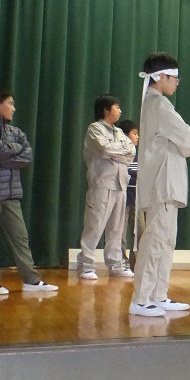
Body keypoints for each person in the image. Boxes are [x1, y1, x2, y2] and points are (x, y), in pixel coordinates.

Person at [0, 86, 58, 295]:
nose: (14, 108)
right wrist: (12, 152)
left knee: (20, 238)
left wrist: (4, 155)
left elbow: (27, 157)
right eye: (10, 103)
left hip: (11, 193)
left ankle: (31, 280)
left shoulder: (15, 132)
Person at [130, 53, 190, 317]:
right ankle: (141, 299)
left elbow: (183, 140)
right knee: (156, 240)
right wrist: (186, 140)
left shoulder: (155, 103)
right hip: (163, 183)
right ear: (160, 77)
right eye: (174, 77)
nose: (177, 82)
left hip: (166, 183)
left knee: (165, 241)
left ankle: (158, 295)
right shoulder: (158, 104)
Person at [77, 95, 136, 280]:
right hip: (102, 184)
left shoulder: (119, 132)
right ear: (105, 109)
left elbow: (131, 152)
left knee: (116, 228)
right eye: (116, 106)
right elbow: (104, 149)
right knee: (95, 225)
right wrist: (116, 152)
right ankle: (86, 265)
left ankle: (115, 264)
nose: (120, 110)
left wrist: (114, 153)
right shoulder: (94, 129)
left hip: (121, 185)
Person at [118, 119, 140, 269]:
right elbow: (122, 174)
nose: (137, 137)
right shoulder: (119, 152)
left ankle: (136, 264)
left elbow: (143, 175)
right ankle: (121, 263)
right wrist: (134, 176)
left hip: (137, 197)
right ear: (125, 135)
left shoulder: (140, 154)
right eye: (135, 133)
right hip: (122, 196)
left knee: (140, 232)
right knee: (120, 232)